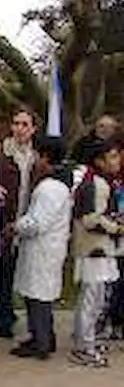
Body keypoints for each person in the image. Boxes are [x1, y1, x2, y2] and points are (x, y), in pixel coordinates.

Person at [8, 136, 72, 360]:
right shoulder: (57, 185)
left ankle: (40, 341)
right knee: (39, 294)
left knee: (38, 297)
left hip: (43, 249)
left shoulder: (49, 188)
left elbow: (37, 222)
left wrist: (16, 226)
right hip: (48, 248)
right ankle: (45, 336)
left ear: (45, 157)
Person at [70, 138, 124, 367]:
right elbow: (90, 220)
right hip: (94, 249)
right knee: (91, 299)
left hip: (101, 249)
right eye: (112, 156)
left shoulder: (101, 182)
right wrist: (117, 227)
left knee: (98, 298)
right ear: (99, 161)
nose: (118, 161)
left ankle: (88, 339)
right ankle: (84, 345)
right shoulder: (96, 184)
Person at [0, 107, 38, 338]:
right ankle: (0, 316)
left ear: (33, 129)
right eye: (16, 123)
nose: (19, 129)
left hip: (26, 218)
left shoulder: (36, 157)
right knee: (2, 269)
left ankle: (7, 312)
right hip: (4, 218)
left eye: (24, 124)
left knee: (16, 270)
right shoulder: (1, 153)